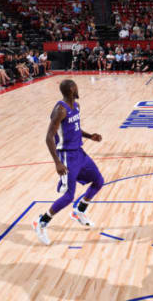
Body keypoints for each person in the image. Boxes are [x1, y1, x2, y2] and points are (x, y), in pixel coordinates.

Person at [32, 79, 104, 245]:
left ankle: (79, 211)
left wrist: (89, 136)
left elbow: (75, 129)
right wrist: (57, 162)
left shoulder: (76, 106)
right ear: (72, 89)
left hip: (79, 152)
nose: (78, 88)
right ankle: (41, 222)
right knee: (69, 195)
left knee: (99, 181)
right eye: (76, 86)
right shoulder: (60, 110)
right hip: (66, 156)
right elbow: (49, 137)